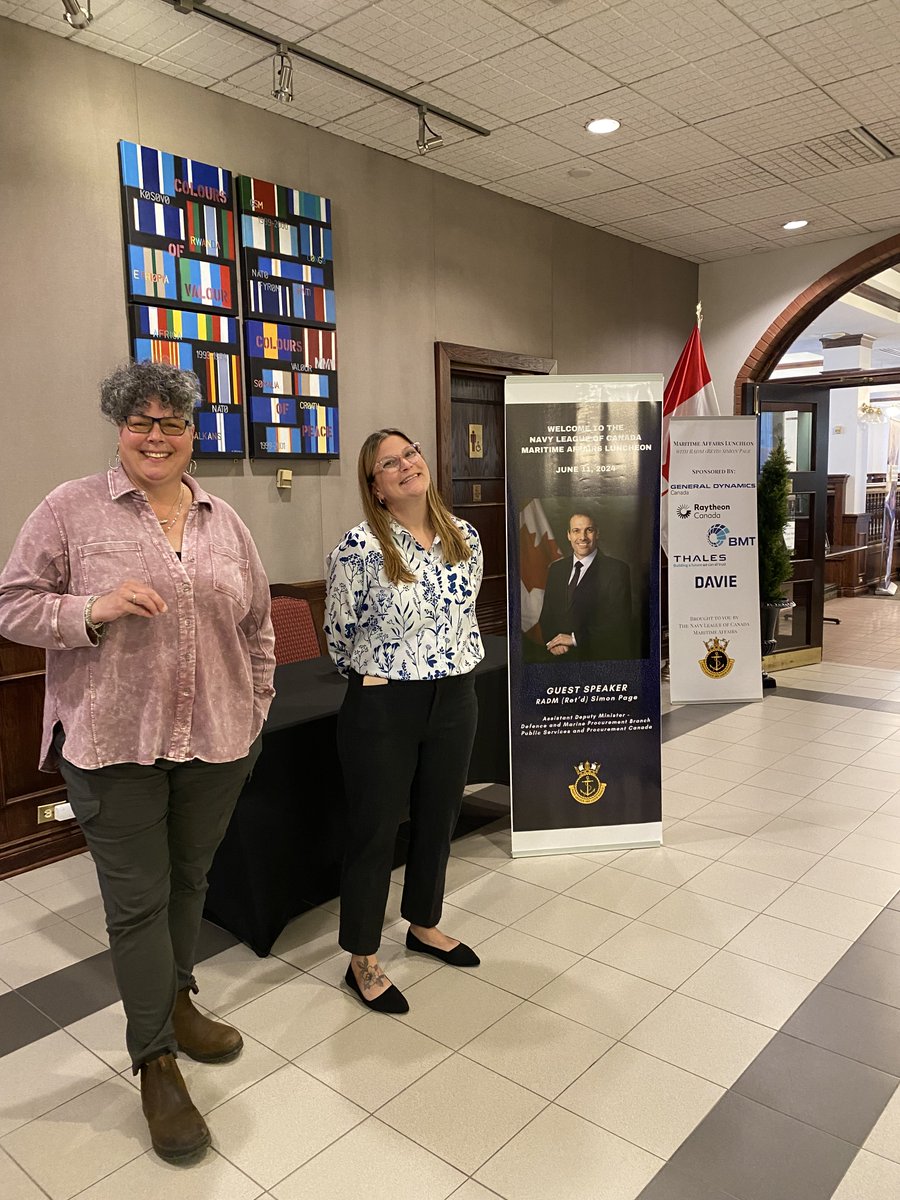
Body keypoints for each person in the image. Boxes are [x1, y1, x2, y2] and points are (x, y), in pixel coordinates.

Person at [0, 361, 275, 1163]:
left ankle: (179, 999)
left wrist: (255, 709)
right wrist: (93, 608)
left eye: (173, 423)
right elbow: (13, 602)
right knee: (136, 904)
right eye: (141, 422)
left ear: (194, 435)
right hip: (112, 744)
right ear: (119, 430)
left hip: (218, 741)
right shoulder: (70, 508)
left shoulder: (225, 520)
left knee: (190, 883)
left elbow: (258, 622)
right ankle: (154, 1056)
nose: (157, 436)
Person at [325, 428, 483, 1014]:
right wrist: (371, 672)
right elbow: (338, 632)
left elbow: (464, 617)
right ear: (377, 486)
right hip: (385, 705)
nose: (406, 465)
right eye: (389, 464)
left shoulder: (462, 536)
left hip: (456, 696)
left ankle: (423, 923)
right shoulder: (360, 547)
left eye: (410, 453)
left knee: (439, 817)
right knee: (375, 829)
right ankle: (361, 957)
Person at [537, 511, 633, 661]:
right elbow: (546, 615)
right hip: (558, 659)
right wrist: (553, 642)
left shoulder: (616, 570)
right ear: (569, 535)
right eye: (576, 531)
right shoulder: (556, 569)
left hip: (598, 658)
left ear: (597, 534)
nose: (582, 537)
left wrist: (574, 639)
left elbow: (618, 622)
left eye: (589, 530)